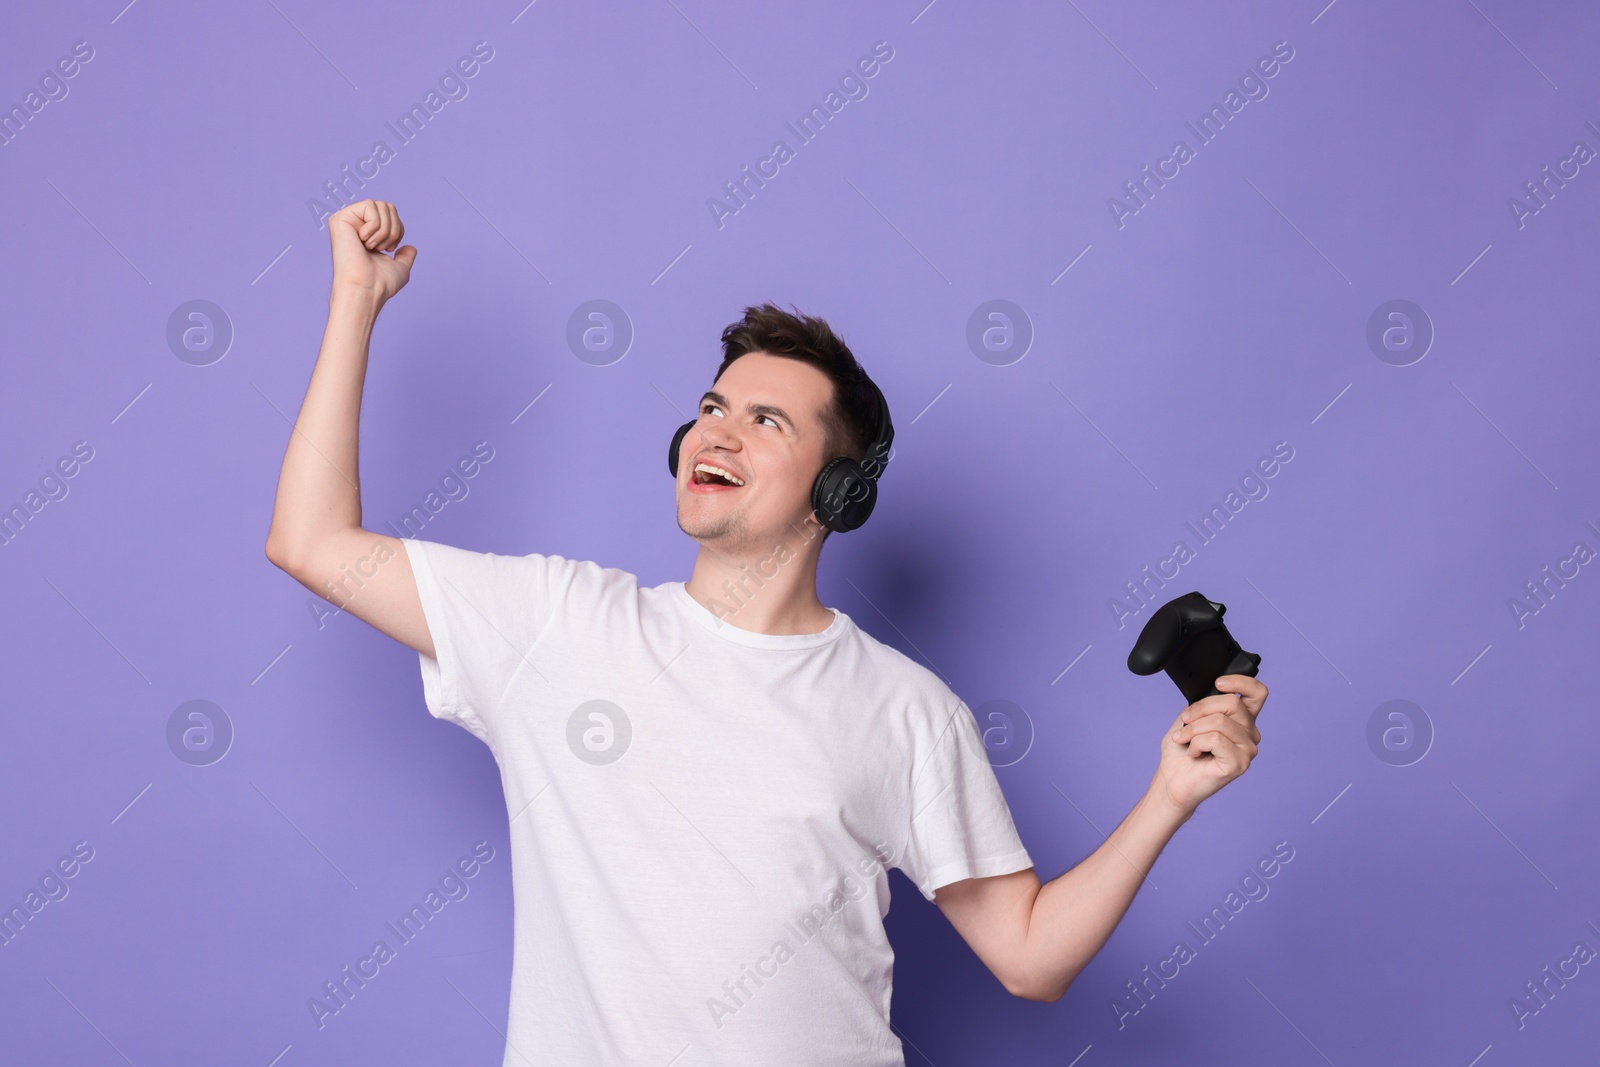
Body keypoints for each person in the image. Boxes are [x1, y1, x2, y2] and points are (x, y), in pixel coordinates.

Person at [265, 199, 1269, 1066]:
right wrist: (355, 301)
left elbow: (1030, 955)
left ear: (839, 490)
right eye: (711, 407)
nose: (716, 431)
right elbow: (312, 540)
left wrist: (1169, 795)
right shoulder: (559, 621)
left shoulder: (906, 708)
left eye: (766, 421)